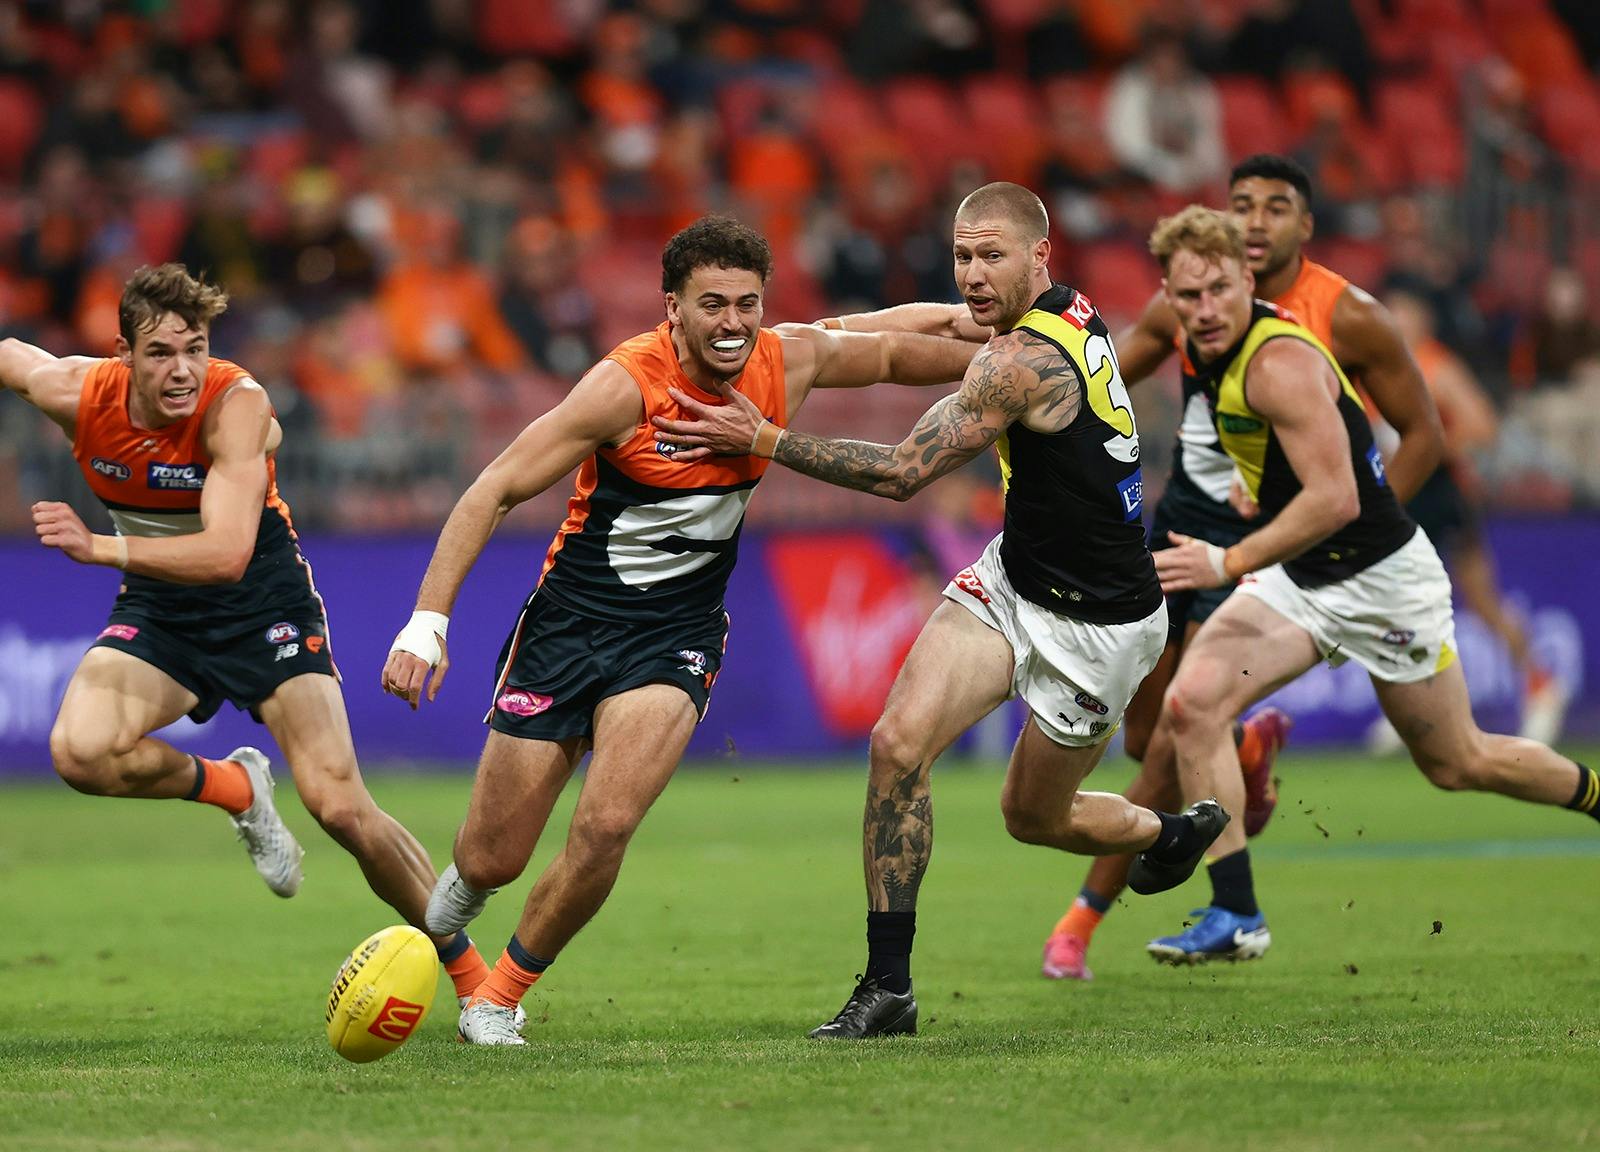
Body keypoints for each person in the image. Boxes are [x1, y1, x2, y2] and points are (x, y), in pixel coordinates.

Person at [379, 215, 988, 1047]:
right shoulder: (622, 386)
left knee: (605, 826)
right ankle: (458, 907)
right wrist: (425, 625)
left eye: (748, 303)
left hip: (676, 637)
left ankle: (499, 998)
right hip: (568, 627)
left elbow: (897, 344)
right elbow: (493, 489)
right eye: (712, 305)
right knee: (492, 855)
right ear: (673, 307)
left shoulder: (786, 358)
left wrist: (1024, 346)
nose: (734, 323)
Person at [651, 184, 1229, 1040]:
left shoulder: (1018, 364)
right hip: (1014, 581)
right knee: (897, 744)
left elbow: (899, 473)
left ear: (1039, 255)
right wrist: (801, 339)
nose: (971, 273)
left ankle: (1162, 831)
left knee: (1031, 817)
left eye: (990, 255)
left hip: (1103, 625)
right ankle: (889, 987)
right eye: (961, 255)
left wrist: (762, 438)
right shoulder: (1058, 308)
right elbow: (938, 321)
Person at [4, 263, 505, 1010]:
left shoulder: (235, 405)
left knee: (338, 805)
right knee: (80, 752)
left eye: (195, 348)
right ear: (122, 354)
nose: (182, 370)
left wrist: (97, 547)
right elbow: (13, 353)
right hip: (162, 608)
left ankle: (479, 986)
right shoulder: (73, 393)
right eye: (161, 353)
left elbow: (226, 553)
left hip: (262, 601)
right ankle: (236, 787)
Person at [1138, 206, 1597, 961]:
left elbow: (1338, 497)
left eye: (1219, 289)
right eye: (1187, 297)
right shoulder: (1209, 351)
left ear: (1248, 281)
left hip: (1381, 581)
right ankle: (1236, 914)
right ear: (1170, 295)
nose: (1205, 309)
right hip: (1303, 577)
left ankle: (1595, 794)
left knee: (1459, 763)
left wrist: (1230, 560)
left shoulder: (1276, 359)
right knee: (1193, 704)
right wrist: (1261, 494)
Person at [1044, 153, 1445, 975]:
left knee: (1179, 734)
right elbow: (1102, 383)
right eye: (1242, 205)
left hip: (1270, 542)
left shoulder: (1344, 316)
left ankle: (1083, 921)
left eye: (1276, 206)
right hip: (1184, 527)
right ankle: (1241, 771)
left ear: (1305, 224)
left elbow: (1422, 439)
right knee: (1146, 735)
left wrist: (1352, 546)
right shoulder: (1190, 302)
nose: (1257, 220)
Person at [1368, 289, 1567, 748]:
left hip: (1441, 495)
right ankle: (1412, 710)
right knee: (1394, 600)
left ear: (1422, 322)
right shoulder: (1379, 369)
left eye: (1401, 314)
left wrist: (1429, 447)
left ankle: (1542, 687)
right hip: (1401, 497)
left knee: (1482, 600)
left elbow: (1484, 427)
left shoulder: (1438, 367)